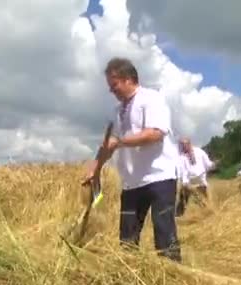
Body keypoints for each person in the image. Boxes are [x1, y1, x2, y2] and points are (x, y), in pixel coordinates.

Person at [82, 57, 182, 262]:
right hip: (131, 183)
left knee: (164, 234)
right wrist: (95, 168)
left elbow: (154, 133)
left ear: (128, 79)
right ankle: (131, 281)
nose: (112, 91)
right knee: (127, 240)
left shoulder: (151, 99)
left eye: (114, 85)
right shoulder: (116, 111)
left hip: (159, 178)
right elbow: (108, 144)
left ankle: (175, 280)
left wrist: (119, 142)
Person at [175, 137, 216, 217]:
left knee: (204, 202)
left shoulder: (200, 152)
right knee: (182, 200)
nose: (183, 146)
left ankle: (208, 215)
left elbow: (208, 164)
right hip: (189, 184)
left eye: (185, 144)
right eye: (182, 145)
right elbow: (183, 171)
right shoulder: (181, 157)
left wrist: (213, 165)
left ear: (189, 144)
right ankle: (178, 217)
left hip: (201, 183)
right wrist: (185, 183)